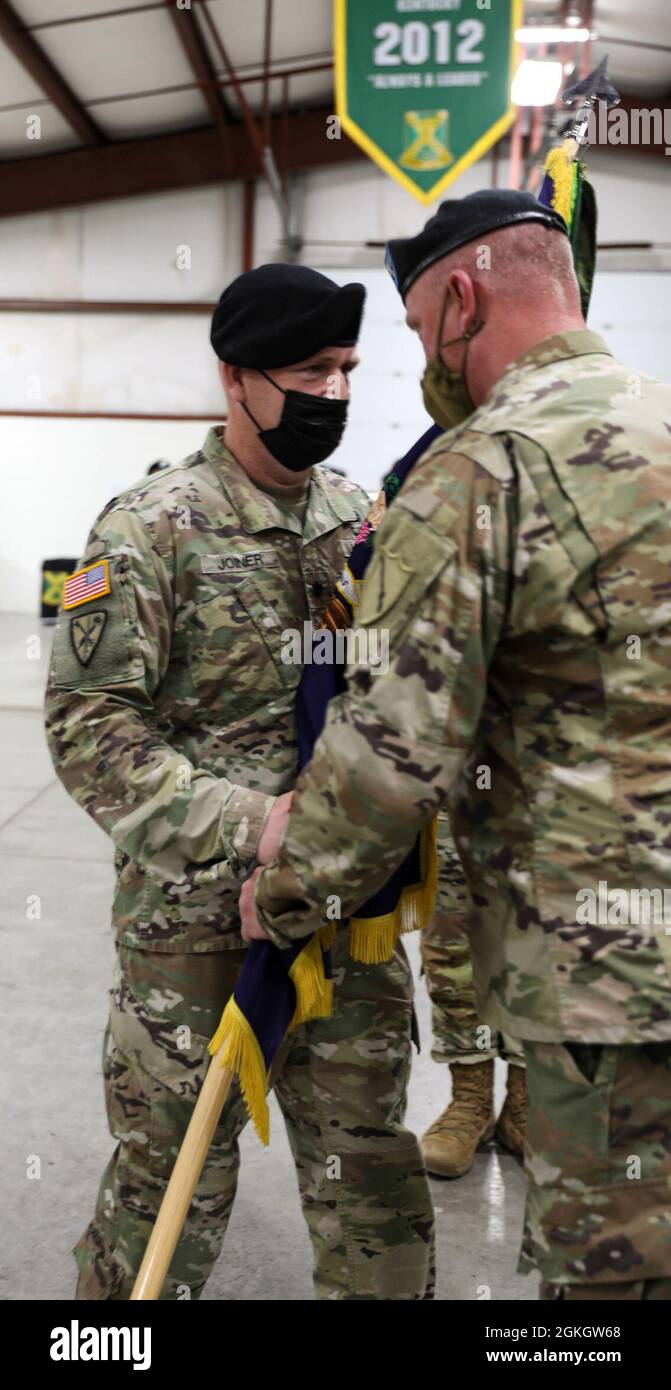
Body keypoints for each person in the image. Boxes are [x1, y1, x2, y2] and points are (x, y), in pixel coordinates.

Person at [246, 191, 671, 1301]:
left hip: (604, 988)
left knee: (604, 1289)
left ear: (459, 302)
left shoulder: (484, 470)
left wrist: (285, 891)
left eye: (413, 328)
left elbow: (391, 752)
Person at [44, 262, 434, 1301]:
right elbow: (88, 728)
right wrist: (256, 824)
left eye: (346, 369)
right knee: (165, 1191)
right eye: (309, 370)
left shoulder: (361, 520)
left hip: (340, 921)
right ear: (237, 377)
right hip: (192, 936)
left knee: (371, 1183)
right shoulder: (144, 529)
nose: (334, 394)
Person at [421, 814, 526, 1178]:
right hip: (460, 791)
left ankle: (525, 1107)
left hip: (560, 791)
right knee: (453, 949)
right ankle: (471, 1101)